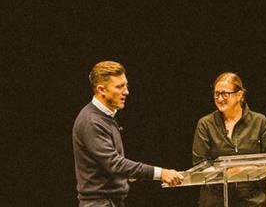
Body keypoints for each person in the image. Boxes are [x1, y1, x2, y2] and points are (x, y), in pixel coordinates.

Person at [72, 60, 184, 207]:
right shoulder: (91, 121)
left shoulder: (106, 117)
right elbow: (114, 164)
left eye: (126, 85)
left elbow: (109, 167)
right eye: (119, 87)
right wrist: (161, 173)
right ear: (101, 90)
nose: (126, 91)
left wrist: (131, 174)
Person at [191, 72, 266, 207]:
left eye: (225, 94)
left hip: (251, 201)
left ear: (239, 95)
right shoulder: (205, 124)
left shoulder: (259, 121)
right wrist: (230, 171)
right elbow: (199, 166)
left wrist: (239, 170)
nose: (219, 99)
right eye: (216, 94)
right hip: (216, 201)